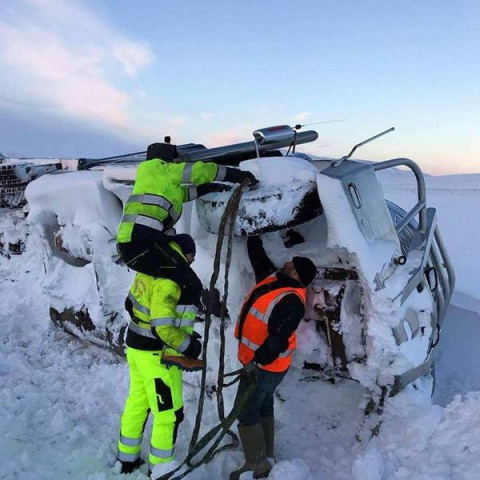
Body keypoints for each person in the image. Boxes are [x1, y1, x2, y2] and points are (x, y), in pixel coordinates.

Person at [116, 138, 257, 306]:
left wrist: (208, 188)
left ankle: (155, 315)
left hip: (133, 247)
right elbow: (199, 170)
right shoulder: (163, 170)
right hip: (141, 245)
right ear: (167, 159)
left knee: (173, 282)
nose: (178, 163)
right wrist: (235, 175)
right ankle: (176, 324)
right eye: (176, 161)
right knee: (189, 283)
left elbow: (180, 194)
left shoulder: (150, 178)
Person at [116, 234, 204, 479]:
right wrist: (189, 347)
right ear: (183, 252)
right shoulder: (171, 280)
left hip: (134, 349)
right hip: (157, 357)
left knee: (138, 403)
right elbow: (163, 328)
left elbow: (129, 304)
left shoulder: (149, 267)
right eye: (192, 256)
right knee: (168, 413)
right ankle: (160, 468)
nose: (193, 261)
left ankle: (126, 458)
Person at [230, 236, 317, 480]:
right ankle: (266, 454)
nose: (287, 262)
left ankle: (256, 465)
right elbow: (259, 260)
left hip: (266, 366)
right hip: (262, 364)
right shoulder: (275, 280)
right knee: (263, 405)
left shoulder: (291, 301)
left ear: (297, 274)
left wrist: (256, 362)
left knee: (246, 411)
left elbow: (277, 340)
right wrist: (252, 234)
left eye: (292, 263)